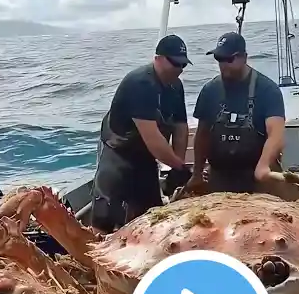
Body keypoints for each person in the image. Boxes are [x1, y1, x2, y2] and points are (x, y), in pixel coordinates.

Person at [91, 35, 193, 232]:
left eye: (183, 65)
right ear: (158, 58)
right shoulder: (140, 83)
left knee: (152, 212)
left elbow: (180, 127)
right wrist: (178, 165)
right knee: (106, 213)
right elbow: (153, 138)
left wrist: (177, 166)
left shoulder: (176, 86)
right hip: (118, 149)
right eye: (175, 63)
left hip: (145, 155)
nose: (179, 70)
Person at [186, 32, 287, 195]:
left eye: (229, 59)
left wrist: (263, 165)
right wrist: (197, 173)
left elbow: (276, 133)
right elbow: (202, 135)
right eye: (219, 59)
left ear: (244, 57)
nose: (223, 64)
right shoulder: (209, 90)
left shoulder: (267, 90)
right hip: (219, 177)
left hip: (257, 180)